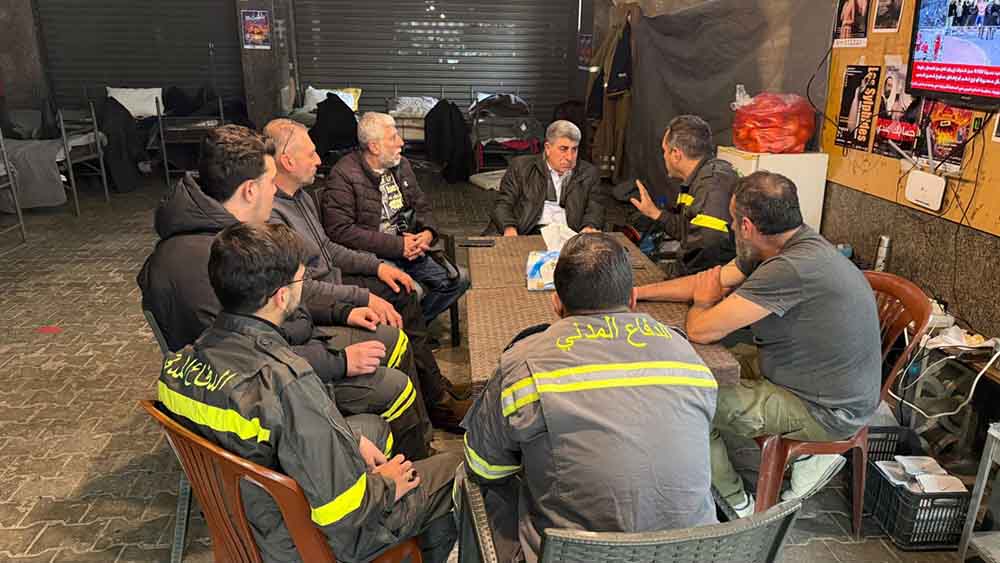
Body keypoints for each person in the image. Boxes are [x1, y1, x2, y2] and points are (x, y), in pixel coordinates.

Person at [158, 222, 460, 563]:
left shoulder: (178, 365)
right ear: (281, 296)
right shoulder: (288, 381)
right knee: (455, 468)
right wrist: (386, 486)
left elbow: (271, 432)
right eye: (301, 279)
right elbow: (344, 514)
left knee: (372, 429)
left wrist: (345, 439)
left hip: (242, 517)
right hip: (299, 539)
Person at [137, 125, 431, 459]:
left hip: (289, 349)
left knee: (391, 339)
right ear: (250, 190)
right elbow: (248, 364)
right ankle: (404, 476)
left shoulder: (224, 237)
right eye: (270, 181)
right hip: (267, 389)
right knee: (395, 387)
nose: (275, 190)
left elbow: (280, 302)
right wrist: (339, 362)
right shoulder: (210, 261)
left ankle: (415, 449)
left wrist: (342, 311)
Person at [635, 171, 882, 517]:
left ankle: (739, 506)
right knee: (691, 368)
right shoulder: (784, 243)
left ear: (747, 226)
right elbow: (711, 281)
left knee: (688, 402)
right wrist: (637, 292)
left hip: (826, 409)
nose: (730, 227)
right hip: (804, 372)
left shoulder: (790, 267)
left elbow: (702, 330)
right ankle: (806, 459)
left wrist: (703, 304)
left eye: (733, 220)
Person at [461, 233, 718, 563]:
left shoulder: (523, 364)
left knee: (474, 482)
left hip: (575, 555)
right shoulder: (687, 355)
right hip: (695, 553)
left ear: (556, 303)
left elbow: (484, 466)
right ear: (633, 300)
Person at [262, 119, 470, 431]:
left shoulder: (300, 197)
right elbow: (304, 285)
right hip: (319, 301)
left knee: (414, 289)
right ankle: (434, 400)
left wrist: (378, 267)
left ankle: (433, 388)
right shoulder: (273, 213)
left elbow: (328, 248)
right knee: (403, 300)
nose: (319, 160)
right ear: (288, 162)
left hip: (336, 281)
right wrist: (363, 294)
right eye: (311, 153)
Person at [322, 112, 470, 324]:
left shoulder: (401, 165)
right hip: (372, 256)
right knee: (412, 291)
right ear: (374, 147)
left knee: (459, 279)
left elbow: (422, 205)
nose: (401, 142)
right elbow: (340, 231)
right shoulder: (344, 174)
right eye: (393, 138)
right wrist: (398, 245)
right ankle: (411, 329)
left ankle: (412, 328)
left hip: (408, 250)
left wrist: (427, 233)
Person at [628, 115, 737, 275]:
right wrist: (654, 213)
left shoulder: (713, 185)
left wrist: (672, 277)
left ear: (676, 154)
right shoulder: (698, 178)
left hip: (710, 279)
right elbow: (687, 231)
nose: (664, 157)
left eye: (664, 151)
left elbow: (707, 250)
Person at [490, 120, 604, 236]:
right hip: (529, 231)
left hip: (570, 232)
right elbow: (503, 204)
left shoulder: (588, 173)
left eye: (574, 149)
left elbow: (596, 207)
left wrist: (590, 226)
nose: (569, 157)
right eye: (563, 149)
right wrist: (509, 228)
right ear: (548, 148)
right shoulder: (521, 167)